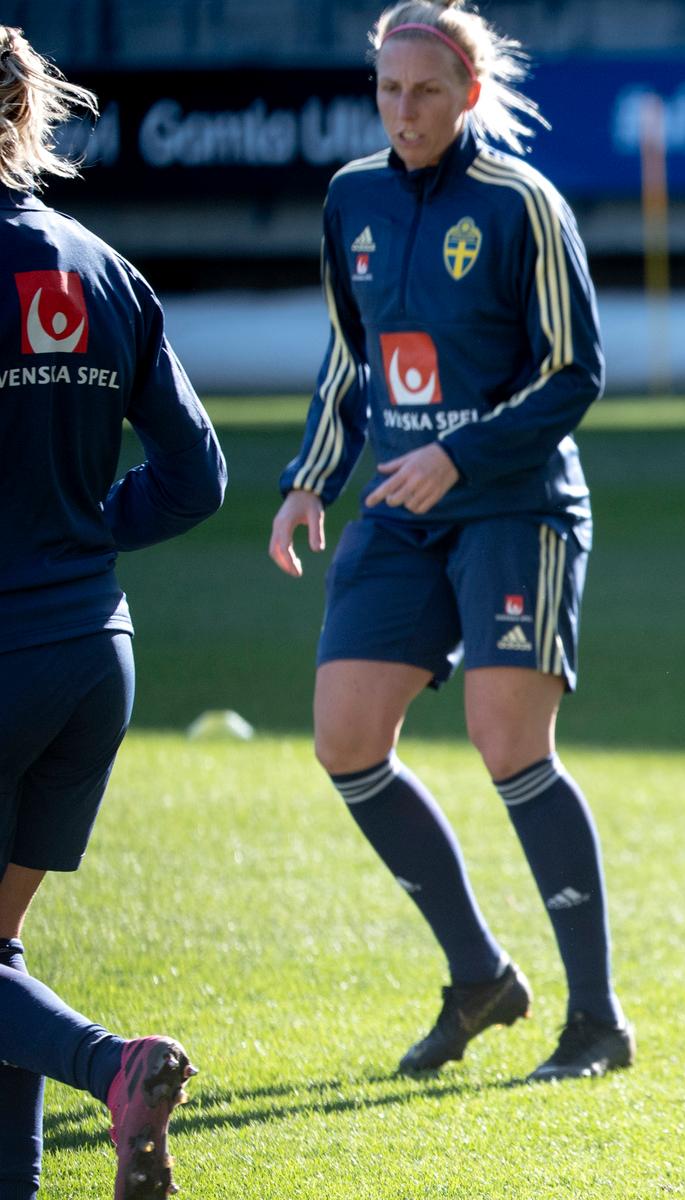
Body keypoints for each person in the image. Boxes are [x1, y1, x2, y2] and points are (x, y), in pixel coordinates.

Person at [267, 0, 627, 1082]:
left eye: (425, 91)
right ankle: (480, 978)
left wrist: (461, 456)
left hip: (516, 506)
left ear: (470, 92)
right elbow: (351, 358)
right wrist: (307, 481)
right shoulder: (351, 198)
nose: (404, 110)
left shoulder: (525, 204)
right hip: (397, 506)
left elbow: (577, 371)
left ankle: (596, 1023)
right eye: (388, 89)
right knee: (346, 738)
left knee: (507, 745)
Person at [0, 27, 227, 1199]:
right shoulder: (100, 265)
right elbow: (198, 477)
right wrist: (84, 529)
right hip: (95, 653)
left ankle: (113, 1064)